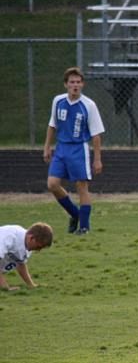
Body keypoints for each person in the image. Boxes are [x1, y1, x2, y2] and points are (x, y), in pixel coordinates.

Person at [42, 67, 104, 235]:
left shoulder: (89, 105)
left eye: (78, 82)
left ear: (82, 84)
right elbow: (52, 125)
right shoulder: (58, 101)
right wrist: (47, 146)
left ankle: (84, 227)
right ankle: (75, 214)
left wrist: (97, 159)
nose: (75, 85)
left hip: (79, 148)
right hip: (61, 148)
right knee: (52, 184)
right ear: (66, 84)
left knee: (81, 186)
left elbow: (96, 135)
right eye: (72, 82)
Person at [0, 222, 53, 291]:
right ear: (31, 238)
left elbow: (20, 264)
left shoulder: (26, 243)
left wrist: (31, 285)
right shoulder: (8, 237)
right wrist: (6, 288)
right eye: (38, 247)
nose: (38, 250)